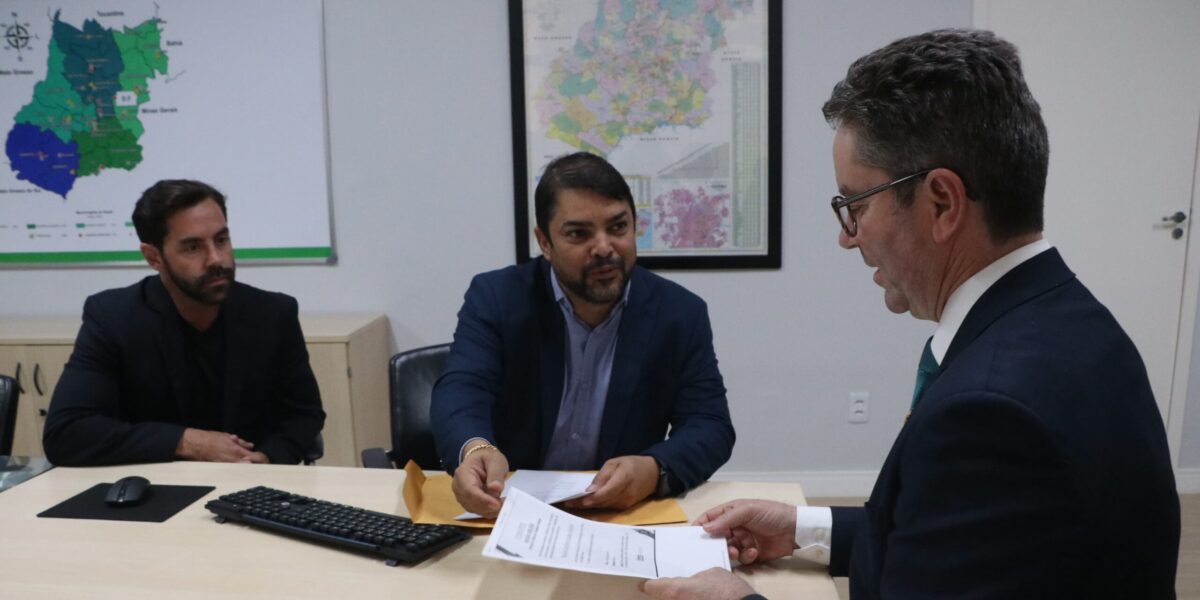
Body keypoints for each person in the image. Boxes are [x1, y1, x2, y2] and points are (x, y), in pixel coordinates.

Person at [641, 29, 1179, 600]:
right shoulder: (1073, 322)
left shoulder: (990, 413)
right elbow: (960, 538)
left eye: (855, 206)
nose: (848, 239)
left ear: (941, 203)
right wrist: (802, 530)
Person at [431, 152, 735, 518]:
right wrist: (475, 448)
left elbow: (710, 425)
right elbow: (462, 387)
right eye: (579, 233)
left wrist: (654, 469)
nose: (604, 247)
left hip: (617, 516)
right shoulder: (497, 299)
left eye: (618, 227)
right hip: (508, 510)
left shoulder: (679, 314)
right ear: (544, 241)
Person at [43, 179, 325, 466]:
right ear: (153, 257)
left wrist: (264, 460)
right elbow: (66, 432)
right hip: (157, 490)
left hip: (255, 492)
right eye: (193, 248)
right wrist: (187, 442)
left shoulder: (273, 314)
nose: (216, 259)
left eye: (221, 240)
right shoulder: (113, 317)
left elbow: (304, 415)